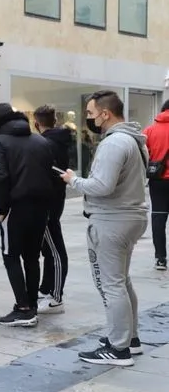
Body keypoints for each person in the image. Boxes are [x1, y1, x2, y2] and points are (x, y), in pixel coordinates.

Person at [60, 90, 148, 366]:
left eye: (90, 113)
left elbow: (102, 187)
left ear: (105, 113)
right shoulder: (133, 139)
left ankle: (118, 347)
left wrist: (74, 180)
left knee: (111, 284)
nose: (89, 118)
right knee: (121, 281)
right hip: (129, 216)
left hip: (112, 220)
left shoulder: (114, 143)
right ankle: (129, 338)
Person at [0, 103, 55, 327]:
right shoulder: (40, 140)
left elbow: (0, 177)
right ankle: (32, 304)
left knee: (11, 255)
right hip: (41, 206)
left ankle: (24, 308)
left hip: (15, 207)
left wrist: (2, 209)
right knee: (32, 256)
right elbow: (50, 172)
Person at [33, 105, 71, 314]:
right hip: (56, 199)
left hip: (47, 202)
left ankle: (56, 297)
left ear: (36, 123)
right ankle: (47, 289)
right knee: (49, 248)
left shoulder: (45, 143)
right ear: (55, 120)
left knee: (54, 250)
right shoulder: (60, 140)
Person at [142, 99, 169, 271]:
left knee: (159, 218)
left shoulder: (150, 131)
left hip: (158, 181)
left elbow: (143, 155)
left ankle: (160, 258)